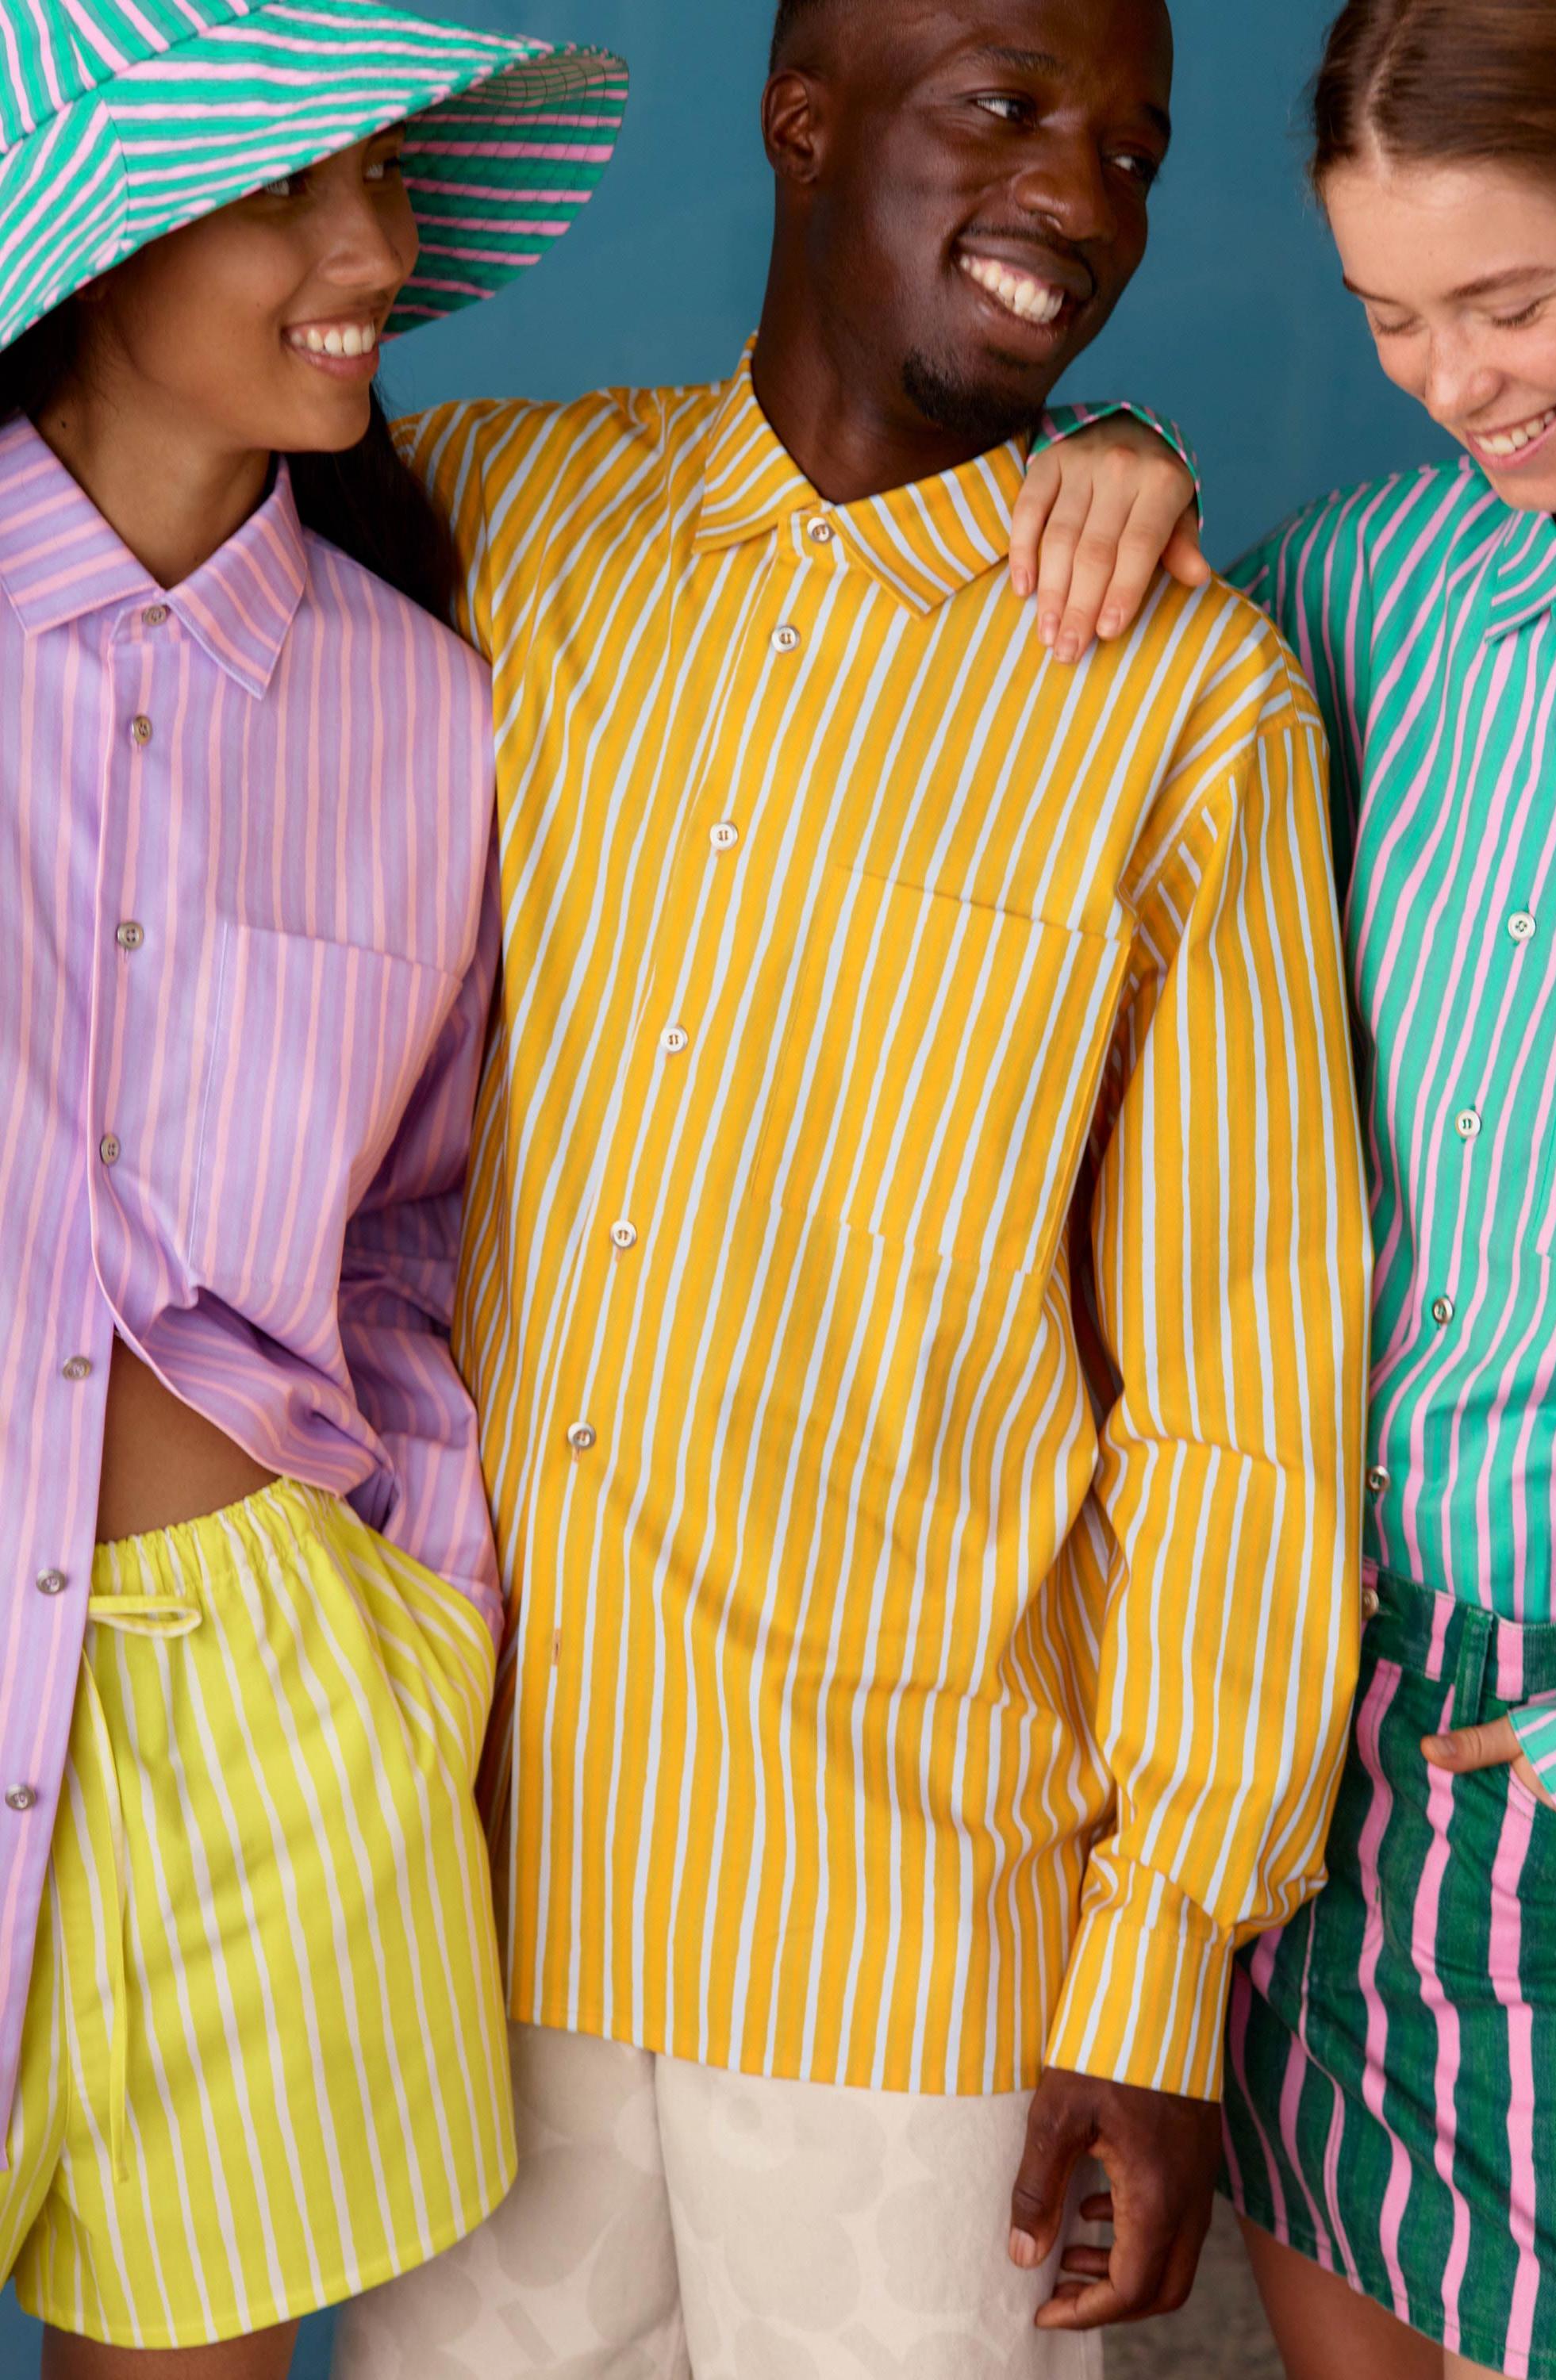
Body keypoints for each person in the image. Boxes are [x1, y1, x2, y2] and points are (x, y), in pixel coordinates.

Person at [330, 0, 1371, 2370]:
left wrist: (1165, 1974)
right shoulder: (492, 505)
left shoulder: (1187, 697)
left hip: (905, 1934)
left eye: (1131, 148)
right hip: (460, 1880)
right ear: (804, 123)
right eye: (1008, 113)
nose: (1083, 199)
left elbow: (1245, 1388)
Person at [1016, 1, 1556, 2374]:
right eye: (1388, 316)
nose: (1455, 381)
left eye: (1507, 302)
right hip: (1253, 1715)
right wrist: (1116, 451)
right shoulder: (1372, 583)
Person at [0, 6, 629, 2372]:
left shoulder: (427, 699)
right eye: (292, 188)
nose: (378, 244)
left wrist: (412, 1623)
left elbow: (408, 1226)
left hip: (261, 1710)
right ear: (89, 250)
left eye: (384, 178)